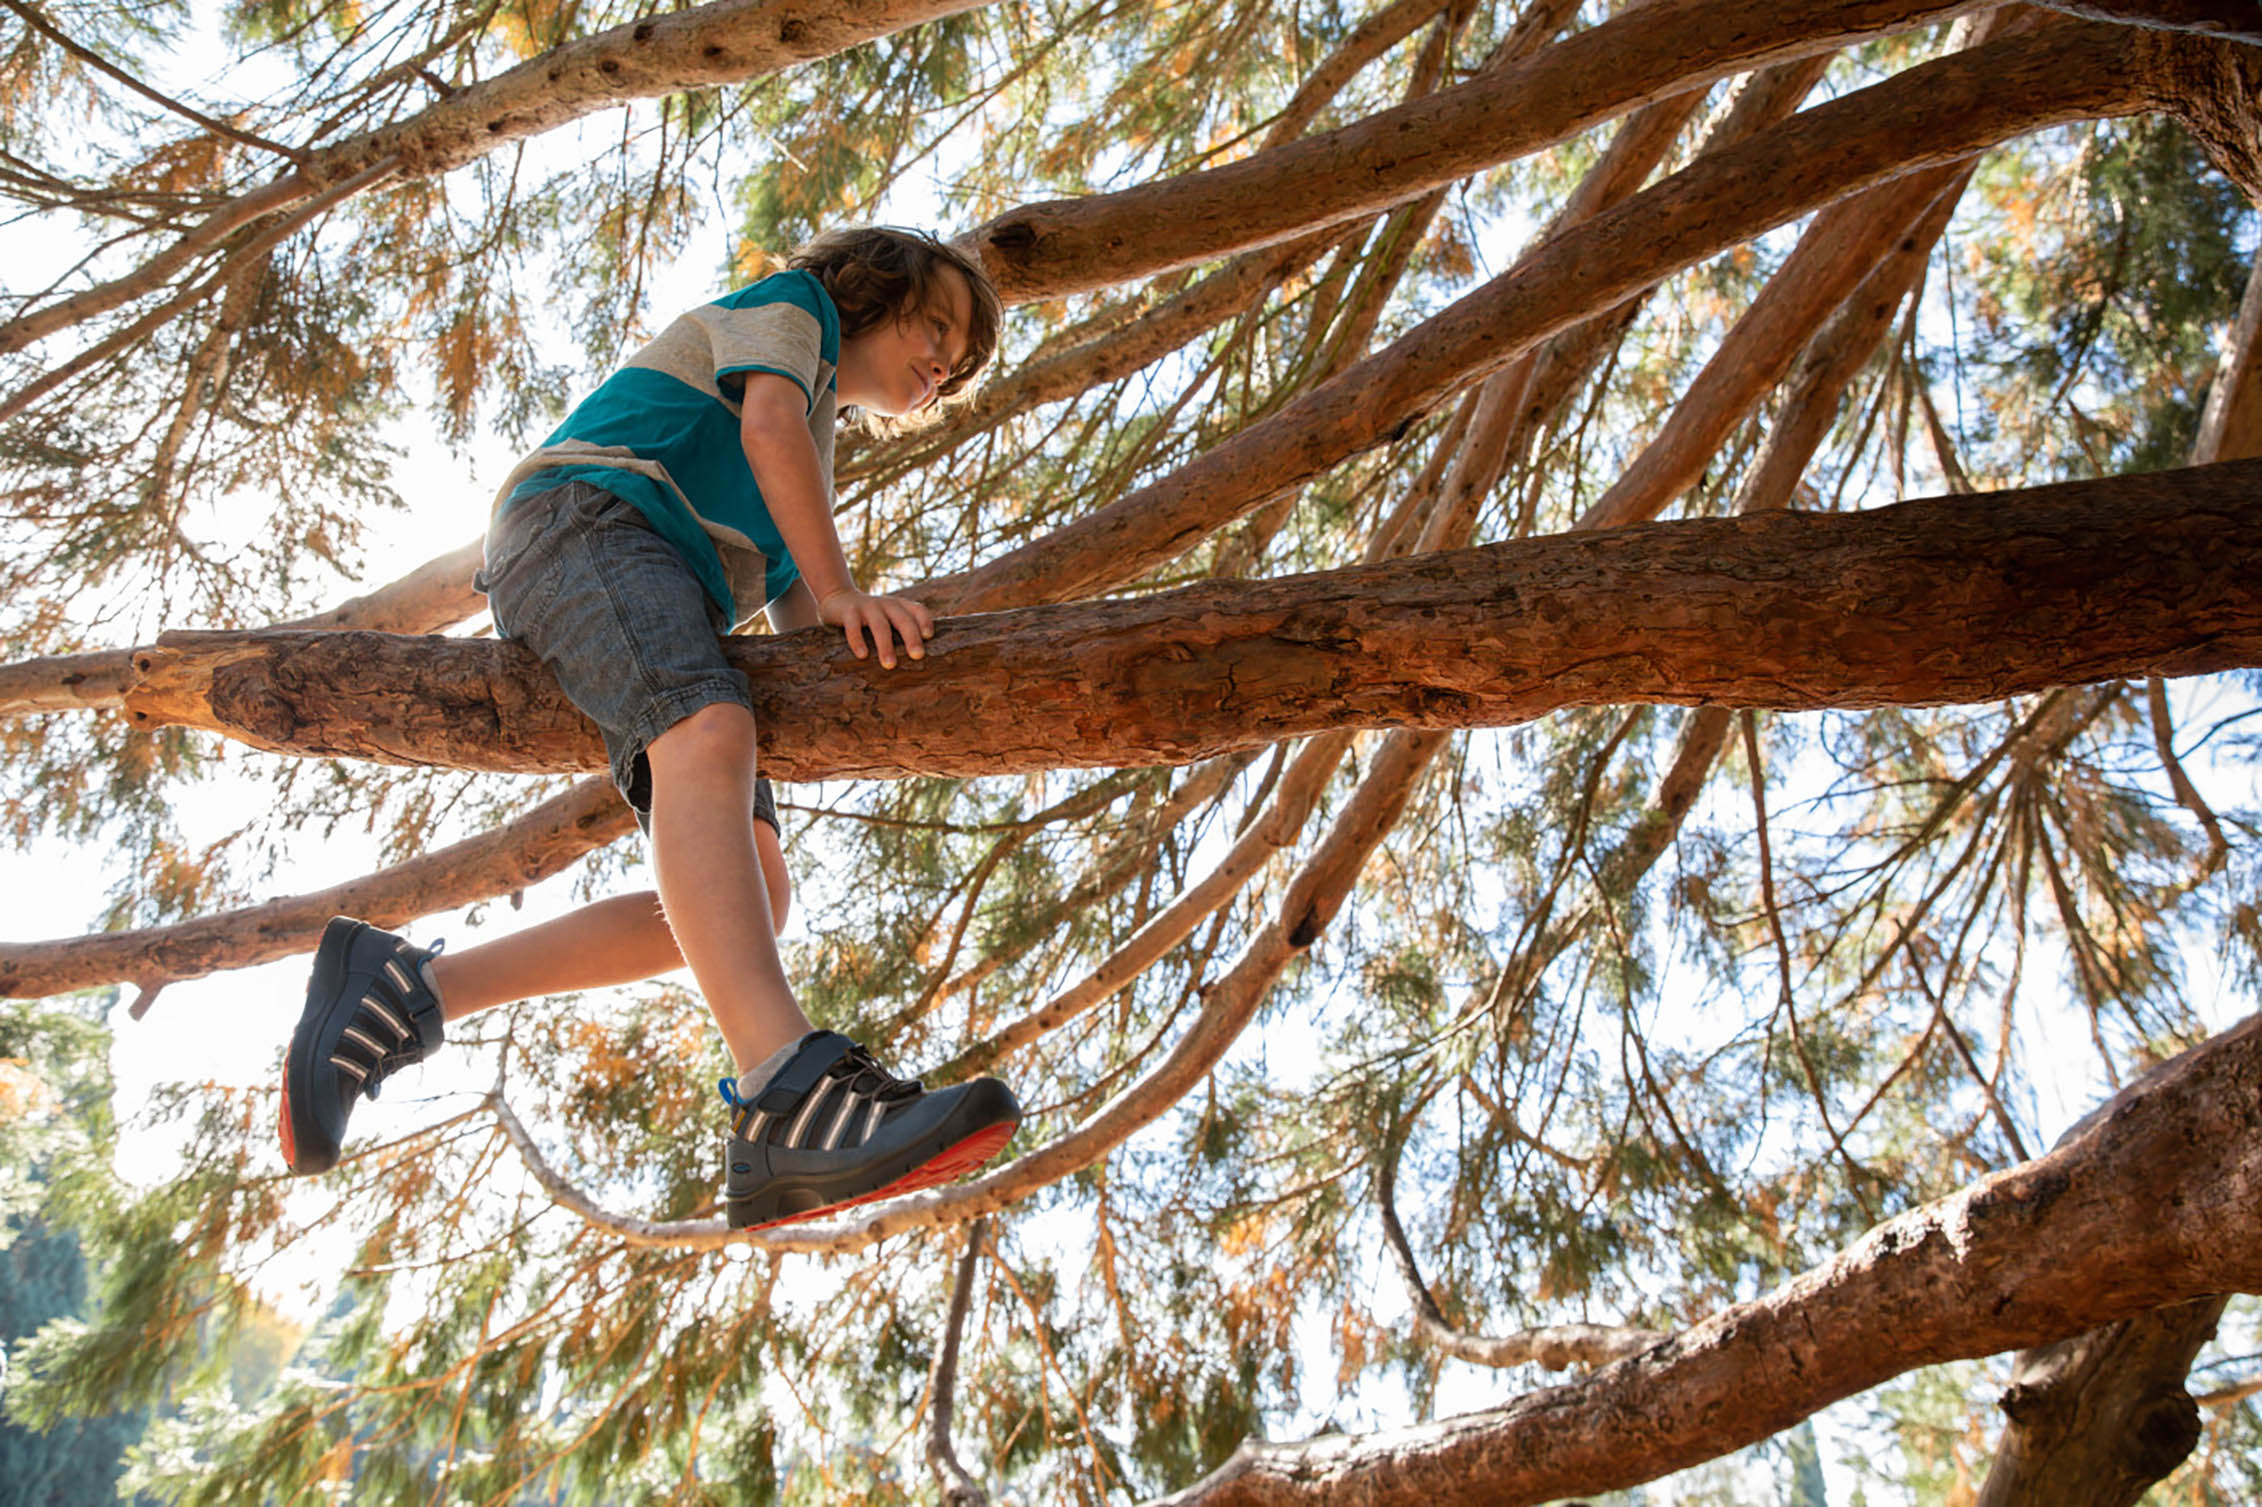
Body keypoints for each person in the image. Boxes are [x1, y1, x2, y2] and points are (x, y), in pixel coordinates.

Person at [278, 227, 1021, 1232]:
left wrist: (854, 651)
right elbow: (767, 437)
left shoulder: (817, 429)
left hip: (648, 578)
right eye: (937, 325)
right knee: (707, 729)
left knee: (760, 887)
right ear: (872, 288)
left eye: (958, 365)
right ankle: (784, 1089)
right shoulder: (797, 312)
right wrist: (847, 590)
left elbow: (801, 604)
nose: (943, 363)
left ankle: (409, 994)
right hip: (584, 520)